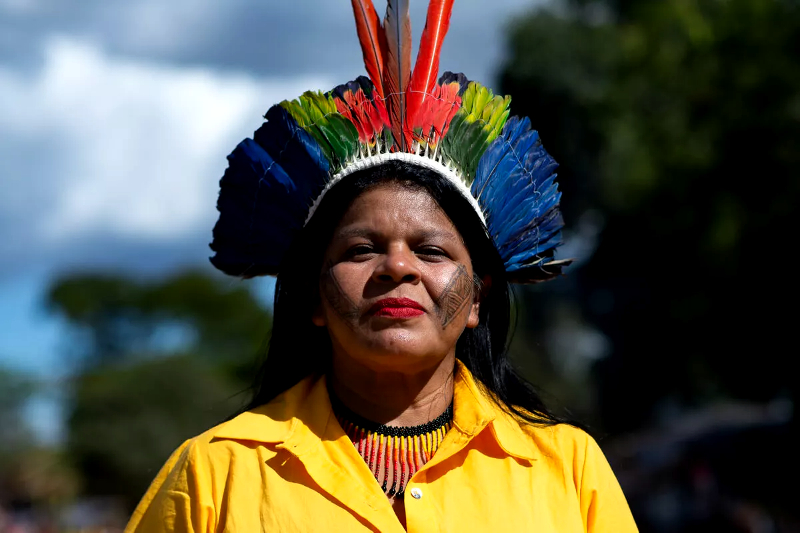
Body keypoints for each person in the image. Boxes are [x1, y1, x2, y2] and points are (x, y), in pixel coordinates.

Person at [124, 1, 638, 531]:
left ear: (478, 299)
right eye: (360, 250)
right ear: (313, 298)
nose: (397, 267)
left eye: (431, 251)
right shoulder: (216, 473)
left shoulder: (568, 471)